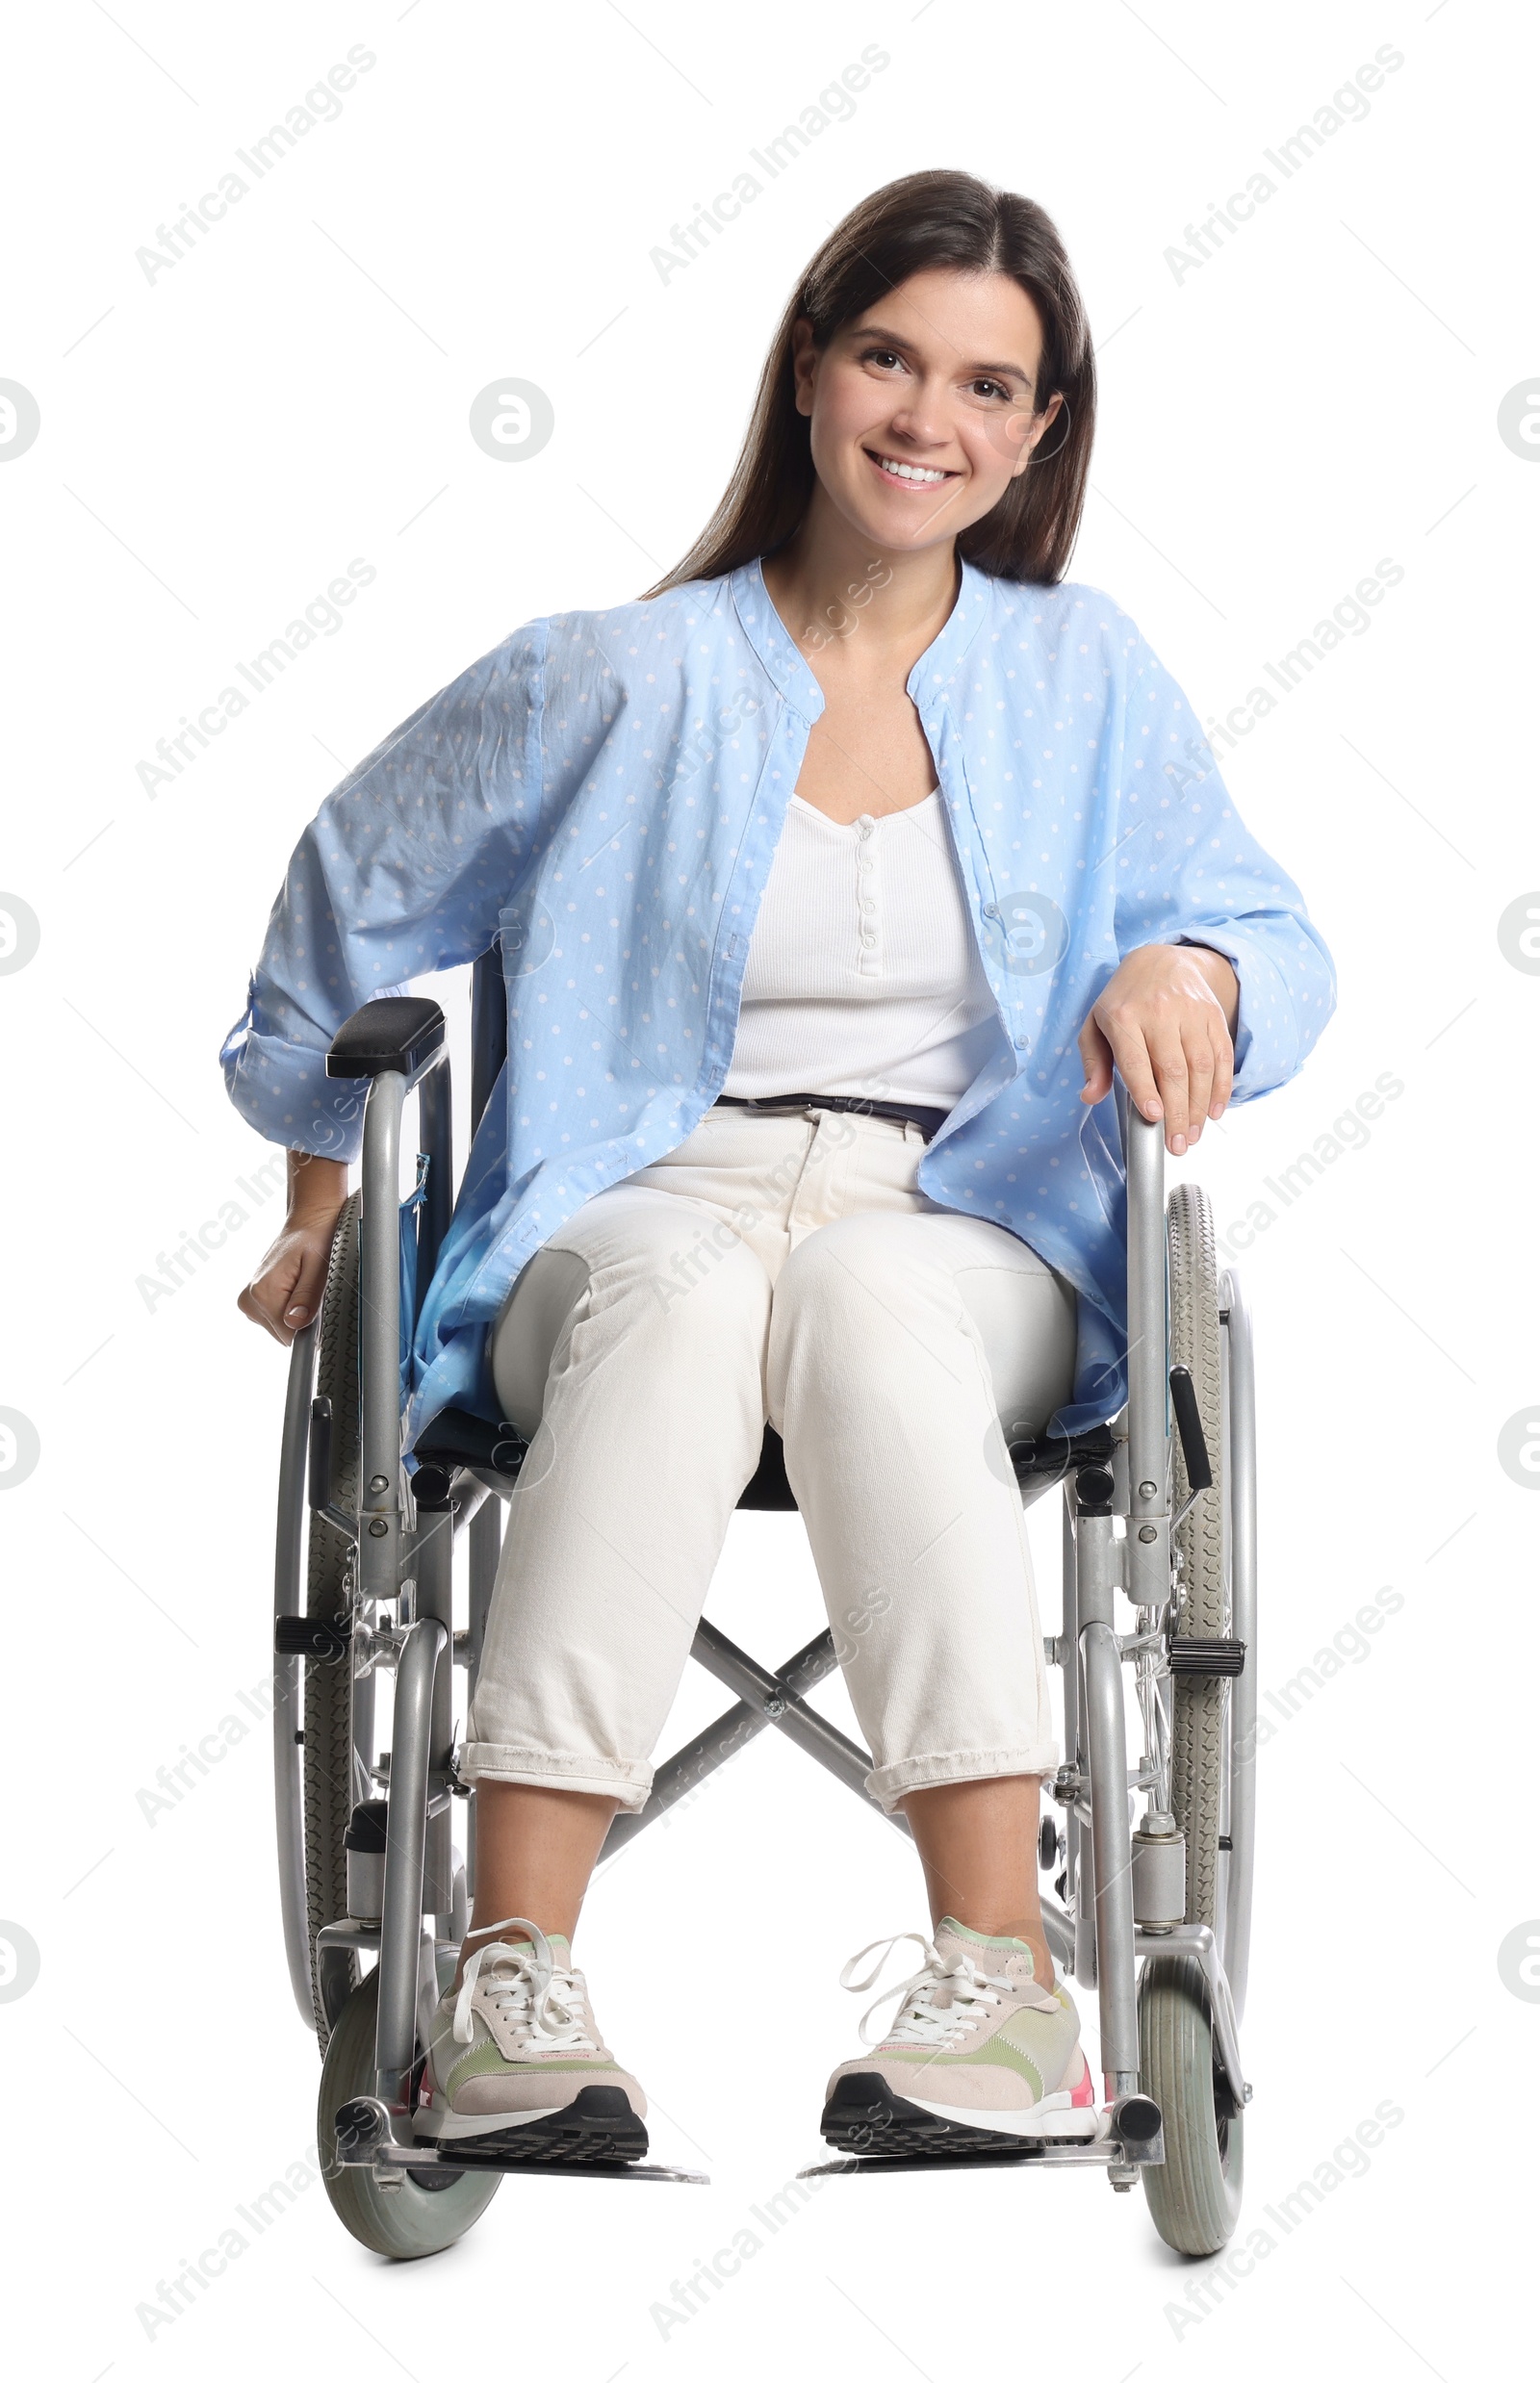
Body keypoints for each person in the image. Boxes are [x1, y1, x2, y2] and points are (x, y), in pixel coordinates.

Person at [227, 169, 1334, 2163]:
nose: (930, 419)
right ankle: (513, 1973)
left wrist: (1191, 959)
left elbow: (1271, 934)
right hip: (643, 1191)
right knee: (679, 1295)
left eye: (987, 385)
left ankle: (997, 1975)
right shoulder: (615, 672)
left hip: (962, 1214)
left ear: (1036, 432)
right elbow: (351, 883)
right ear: (810, 372)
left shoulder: (1082, 678)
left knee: (856, 1292)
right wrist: (319, 1185)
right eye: (891, 358)